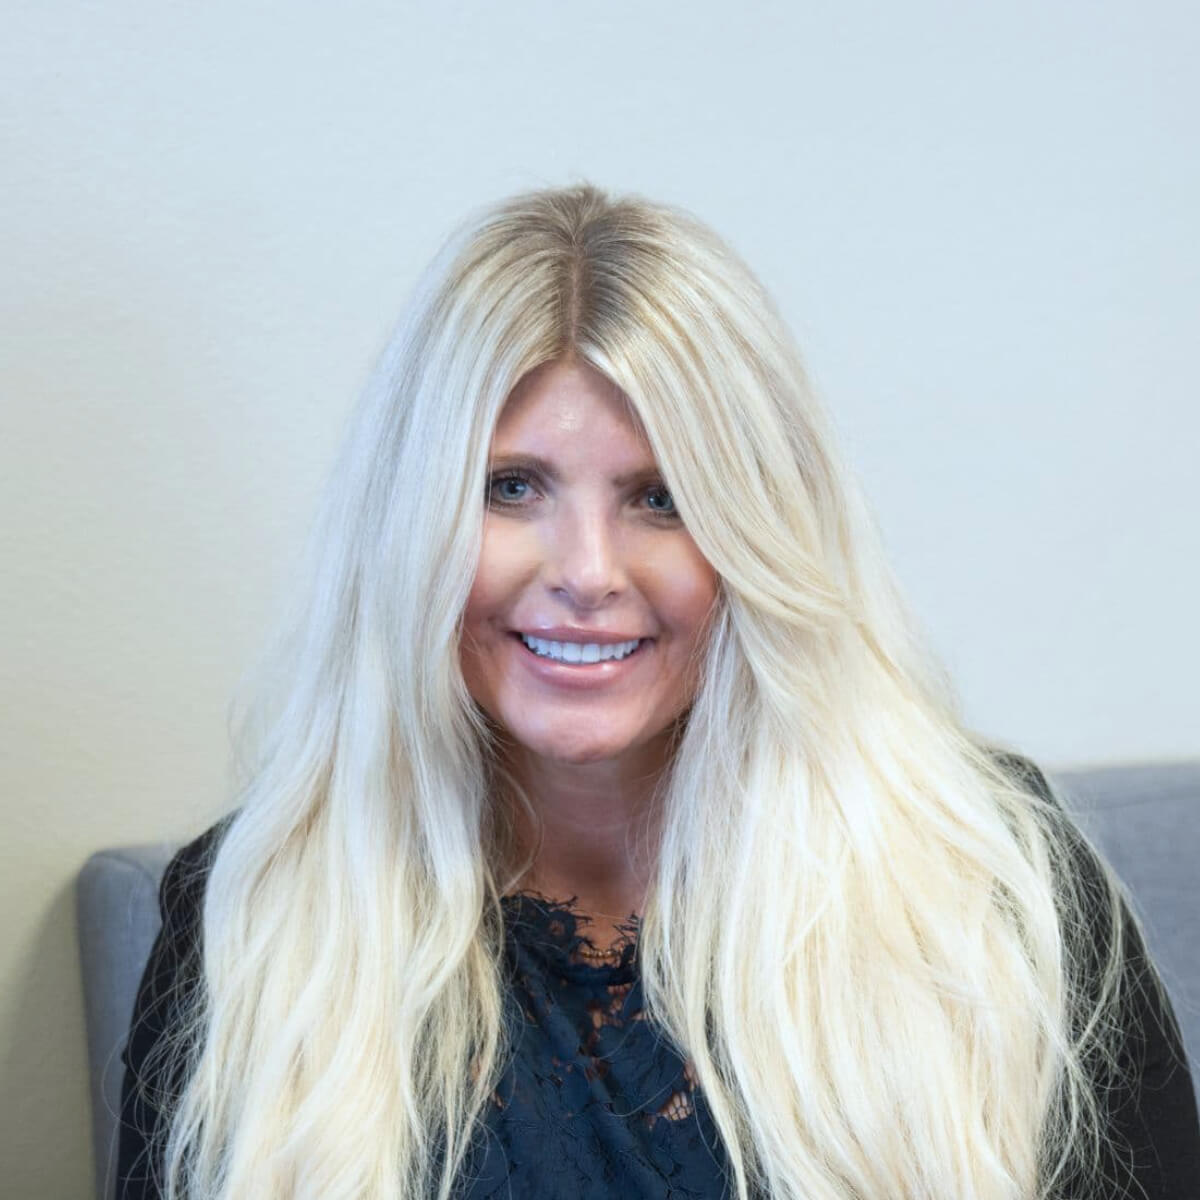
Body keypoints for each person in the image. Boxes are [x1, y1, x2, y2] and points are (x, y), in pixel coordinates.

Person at [116, 183, 1200, 1200]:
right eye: (511, 487)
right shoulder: (258, 916)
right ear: (406, 523)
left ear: (759, 534)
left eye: (661, 498)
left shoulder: (985, 877)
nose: (587, 571)